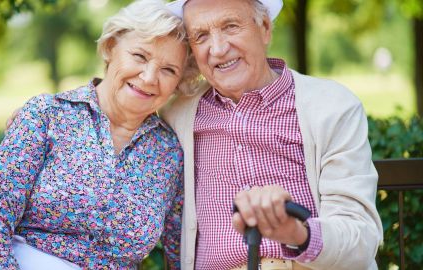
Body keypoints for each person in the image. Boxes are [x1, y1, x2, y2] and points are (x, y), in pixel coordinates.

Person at [0, 0, 200, 269]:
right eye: (140, 56)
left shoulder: (168, 152)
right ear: (111, 48)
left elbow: (179, 254)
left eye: (169, 70)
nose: (149, 77)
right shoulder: (47, 115)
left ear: (178, 83)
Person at [160, 0, 383, 269]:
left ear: (265, 28)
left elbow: (361, 238)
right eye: (201, 36)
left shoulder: (332, 107)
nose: (218, 49)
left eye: (230, 26)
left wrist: (296, 233)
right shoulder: (177, 115)